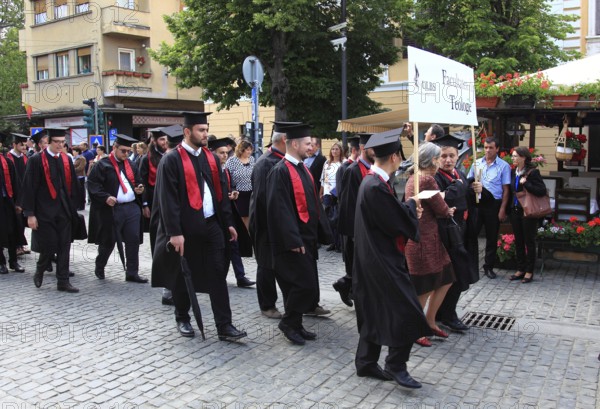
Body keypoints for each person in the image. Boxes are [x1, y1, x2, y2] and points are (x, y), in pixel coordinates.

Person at [151, 112, 247, 341]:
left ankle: (224, 325)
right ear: (187, 132)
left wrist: (228, 224)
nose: (205, 134)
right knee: (185, 274)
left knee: (217, 273)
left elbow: (220, 193)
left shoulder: (211, 158)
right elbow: (168, 200)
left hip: (212, 224)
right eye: (200, 130)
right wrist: (174, 233)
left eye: (206, 129)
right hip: (184, 228)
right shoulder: (172, 159)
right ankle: (182, 317)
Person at [353, 128, 430, 388]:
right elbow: (395, 223)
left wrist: (407, 208)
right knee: (408, 311)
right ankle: (396, 364)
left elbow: (389, 216)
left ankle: (365, 362)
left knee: (373, 309)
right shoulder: (375, 186)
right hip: (382, 262)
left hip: (371, 259)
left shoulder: (372, 181)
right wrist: (411, 208)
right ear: (395, 156)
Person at [266, 123, 332, 345]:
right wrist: (293, 239)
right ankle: (288, 323)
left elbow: (313, 203)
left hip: (306, 238)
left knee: (306, 285)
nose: (311, 146)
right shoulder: (280, 171)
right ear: (293, 144)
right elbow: (279, 209)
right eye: (307, 143)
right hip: (292, 242)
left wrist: (323, 232)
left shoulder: (302, 168)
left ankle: (296, 323)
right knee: (301, 285)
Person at [404, 142, 456, 347]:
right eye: (438, 158)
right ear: (432, 160)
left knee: (446, 278)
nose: (440, 162)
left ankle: (430, 321)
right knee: (425, 286)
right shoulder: (426, 179)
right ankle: (415, 328)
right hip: (424, 241)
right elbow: (442, 210)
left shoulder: (415, 177)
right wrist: (448, 209)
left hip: (428, 240)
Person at [20, 127, 80, 292]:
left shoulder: (66, 160)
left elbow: (73, 185)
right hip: (44, 211)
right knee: (50, 245)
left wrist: (75, 206)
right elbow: (29, 188)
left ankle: (63, 281)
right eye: (56, 142)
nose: (60, 145)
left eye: (63, 142)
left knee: (64, 245)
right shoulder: (36, 160)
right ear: (48, 142)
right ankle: (40, 269)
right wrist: (30, 214)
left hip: (64, 210)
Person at [432, 134, 482, 332]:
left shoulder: (460, 174)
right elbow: (444, 199)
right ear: (437, 157)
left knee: (460, 274)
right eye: (443, 156)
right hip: (446, 234)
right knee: (452, 276)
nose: (448, 160)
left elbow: (469, 197)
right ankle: (447, 314)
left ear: (457, 155)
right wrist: (462, 187)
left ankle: (443, 312)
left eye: (451, 155)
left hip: (463, 230)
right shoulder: (435, 177)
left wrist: (477, 189)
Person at [249, 121, 298, 319]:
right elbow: (262, 200)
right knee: (266, 265)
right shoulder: (265, 162)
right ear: (285, 140)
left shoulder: (282, 160)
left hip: (279, 223)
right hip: (265, 224)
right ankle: (267, 305)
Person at [87, 134, 148, 284]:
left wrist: (140, 188)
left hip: (131, 207)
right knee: (109, 241)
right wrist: (105, 197)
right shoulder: (102, 165)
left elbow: (138, 181)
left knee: (133, 240)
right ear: (114, 148)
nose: (126, 154)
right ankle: (100, 265)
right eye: (123, 151)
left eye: (128, 151)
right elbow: (93, 185)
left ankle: (132, 272)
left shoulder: (131, 164)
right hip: (113, 209)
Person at [332, 133, 374, 307]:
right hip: (354, 229)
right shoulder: (352, 170)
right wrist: (354, 233)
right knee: (356, 266)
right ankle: (357, 296)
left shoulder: (370, 168)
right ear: (363, 148)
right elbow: (348, 204)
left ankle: (346, 285)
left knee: (361, 267)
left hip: (366, 227)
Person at [209, 136, 255, 288]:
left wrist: (232, 192)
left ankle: (240, 276)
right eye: (221, 153)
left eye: (225, 153)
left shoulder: (224, 169)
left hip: (228, 212)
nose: (224, 155)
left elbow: (230, 186)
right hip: (214, 216)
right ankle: (216, 278)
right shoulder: (210, 170)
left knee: (234, 244)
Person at [467, 137, 511, 279]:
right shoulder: (477, 163)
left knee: (491, 237)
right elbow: (468, 181)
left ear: (497, 149)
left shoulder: (503, 166)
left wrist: (502, 209)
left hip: (494, 204)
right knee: (472, 234)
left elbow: (506, 190)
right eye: (486, 147)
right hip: (478, 204)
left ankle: (488, 267)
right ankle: (470, 265)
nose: (487, 150)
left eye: (491, 147)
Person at [507, 146, 547, 284]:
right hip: (515, 210)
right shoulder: (514, 172)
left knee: (529, 241)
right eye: (512, 156)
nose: (513, 158)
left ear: (523, 157)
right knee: (518, 241)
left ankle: (529, 271)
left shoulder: (532, 172)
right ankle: (520, 269)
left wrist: (527, 184)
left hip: (528, 211)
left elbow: (541, 190)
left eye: (515, 156)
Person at [0, 133, 24, 274]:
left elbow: (16, 183)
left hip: (8, 201)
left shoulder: (7, 161)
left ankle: (13, 262)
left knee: (13, 231)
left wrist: (18, 202)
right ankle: (1, 263)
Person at [6, 133, 31, 255]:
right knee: (15, 221)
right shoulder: (8, 158)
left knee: (22, 220)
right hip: (13, 194)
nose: (24, 148)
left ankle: (21, 244)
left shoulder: (24, 158)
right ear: (14, 144)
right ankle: (16, 246)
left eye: (25, 145)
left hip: (24, 193)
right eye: (21, 145)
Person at [224, 140, 254, 231]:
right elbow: (227, 176)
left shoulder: (252, 159)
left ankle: (249, 236)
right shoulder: (232, 161)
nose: (250, 152)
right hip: (238, 193)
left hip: (251, 192)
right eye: (247, 150)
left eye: (250, 150)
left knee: (250, 216)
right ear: (241, 150)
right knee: (241, 217)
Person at [320, 142, 344, 252]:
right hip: (327, 193)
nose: (334, 151)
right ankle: (333, 242)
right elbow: (322, 179)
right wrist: (321, 192)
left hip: (338, 194)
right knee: (329, 219)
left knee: (338, 219)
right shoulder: (327, 163)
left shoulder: (343, 163)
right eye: (333, 149)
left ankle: (340, 243)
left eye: (336, 149)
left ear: (340, 151)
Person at [71, 146, 87, 210]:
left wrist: (72, 170)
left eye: (74, 151)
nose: (73, 152)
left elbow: (81, 167)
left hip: (80, 176)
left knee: (81, 191)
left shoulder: (81, 158)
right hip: (75, 177)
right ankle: (76, 205)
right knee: (76, 191)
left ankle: (81, 205)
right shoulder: (73, 158)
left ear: (77, 151)